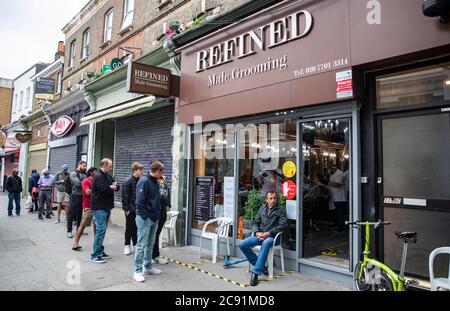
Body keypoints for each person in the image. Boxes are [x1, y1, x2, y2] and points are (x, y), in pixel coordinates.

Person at [239, 191, 288, 287]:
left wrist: (268, 233)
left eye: (274, 198)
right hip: (260, 235)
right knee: (242, 244)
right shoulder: (262, 208)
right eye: (270, 198)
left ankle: (256, 273)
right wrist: (257, 232)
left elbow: (283, 226)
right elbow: (255, 222)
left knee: (266, 243)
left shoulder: (281, 210)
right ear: (266, 199)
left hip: (272, 237)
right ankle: (261, 267)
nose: (273, 200)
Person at [133, 161, 165, 283]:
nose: (162, 174)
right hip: (145, 218)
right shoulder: (144, 181)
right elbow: (139, 201)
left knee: (150, 243)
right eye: (161, 172)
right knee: (141, 245)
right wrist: (144, 216)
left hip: (153, 217)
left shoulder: (155, 181)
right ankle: (137, 271)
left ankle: (148, 266)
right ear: (157, 171)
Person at [90, 159, 120, 264]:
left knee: (102, 230)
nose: (111, 168)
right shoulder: (98, 176)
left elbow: (117, 186)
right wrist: (111, 186)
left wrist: (113, 186)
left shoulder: (107, 176)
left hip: (106, 207)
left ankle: (100, 251)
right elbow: (106, 190)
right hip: (99, 207)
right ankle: (95, 255)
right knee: (100, 230)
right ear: (104, 165)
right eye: (110, 166)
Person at [72, 167, 97, 251]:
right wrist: (98, 190)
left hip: (97, 206)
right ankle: (76, 243)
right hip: (88, 206)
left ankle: (97, 243)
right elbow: (87, 192)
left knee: (96, 226)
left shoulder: (97, 181)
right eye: (96, 172)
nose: (97, 174)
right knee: (83, 225)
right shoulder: (86, 181)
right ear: (91, 172)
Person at [122, 162, 144, 256]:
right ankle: (127, 245)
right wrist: (126, 209)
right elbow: (125, 196)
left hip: (138, 209)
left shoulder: (141, 180)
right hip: (130, 209)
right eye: (140, 170)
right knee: (129, 227)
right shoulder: (128, 181)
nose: (142, 172)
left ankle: (135, 245)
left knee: (136, 228)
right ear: (135, 170)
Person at [152, 174, 171, 265]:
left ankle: (155, 255)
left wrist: (168, 205)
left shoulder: (164, 180)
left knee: (157, 234)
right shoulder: (150, 181)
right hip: (154, 211)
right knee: (152, 235)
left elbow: (167, 193)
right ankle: (150, 256)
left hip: (163, 211)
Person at [67, 161, 87, 239]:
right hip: (75, 196)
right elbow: (78, 183)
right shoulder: (73, 173)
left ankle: (79, 230)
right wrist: (86, 184)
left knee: (80, 214)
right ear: (79, 165)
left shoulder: (84, 174)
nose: (85, 167)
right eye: (84, 166)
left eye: (86, 166)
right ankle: (69, 231)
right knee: (71, 214)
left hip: (83, 196)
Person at [328, 165, 347, 233]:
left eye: (331, 169)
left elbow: (337, 184)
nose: (330, 171)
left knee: (340, 213)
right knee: (336, 212)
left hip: (340, 197)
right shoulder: (334, 174)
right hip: (335, 197)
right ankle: (336, 225)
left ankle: (341, 228)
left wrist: (329, 183)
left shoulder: (339, 174)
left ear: (334, 168)